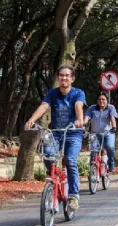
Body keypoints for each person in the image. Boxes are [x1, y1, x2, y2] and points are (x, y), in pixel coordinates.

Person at [25, 64, 85, 211]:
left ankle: (73, 196)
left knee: (70, 161)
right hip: (56, 132)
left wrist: (79, 120)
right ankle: (53, 177)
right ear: (58, 78)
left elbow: (78, 106)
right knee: (47, 155)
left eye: (67, 75)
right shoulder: (52, 93)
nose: (64, 78)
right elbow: (44, 106)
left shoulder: (78, 93)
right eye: (61, 75)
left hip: (73, 133)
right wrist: (32, 119)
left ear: (72, 78)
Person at [84, 92, 118, 173]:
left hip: (108, 133)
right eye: (99, 99)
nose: (101, 101)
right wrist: (82, 125)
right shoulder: (92, 108)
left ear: (107, 101)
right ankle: (92, 169)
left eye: (103, 99)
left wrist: (114, 127)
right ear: (97, 100)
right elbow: (86, 118)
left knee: (109, 146)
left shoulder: (111, 108)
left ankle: (111, 163)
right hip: (95, 134)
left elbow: (113, 118)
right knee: (94, 150)